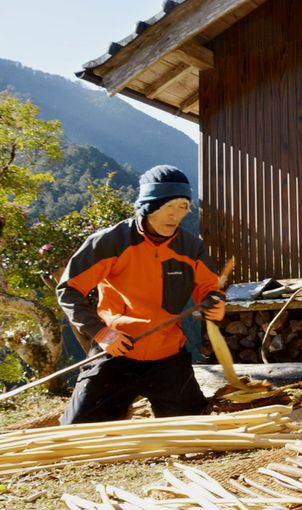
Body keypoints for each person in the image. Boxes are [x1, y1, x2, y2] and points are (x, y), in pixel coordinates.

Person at [56, 165, 226, 425]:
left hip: (168, 356)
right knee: (77, 430)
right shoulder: (109, 242)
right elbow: (69, 289)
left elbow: (209, 286)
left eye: (183, 207)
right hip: (117, 351)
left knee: (192, 429)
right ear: (148, 206)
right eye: (169, 207)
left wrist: (215, 302)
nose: (176, 216)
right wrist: (101, 333)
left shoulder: (191, 247)